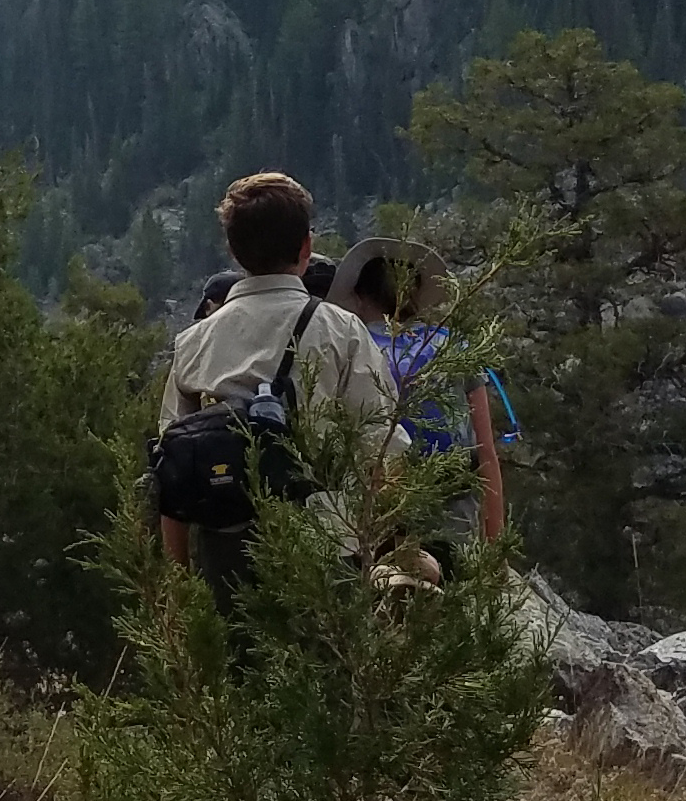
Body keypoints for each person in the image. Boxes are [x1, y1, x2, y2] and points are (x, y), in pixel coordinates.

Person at [154, 172, 393, 591]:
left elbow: (170, 473)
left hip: (224, 559)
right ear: (306, 246)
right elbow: (383, 454)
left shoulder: (194, 342)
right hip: (326, 546)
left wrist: (177, 585)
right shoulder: (342, 331)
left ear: (232, 249)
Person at [331, 235, 509, 548]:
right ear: (416, 294)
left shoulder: (353, 349)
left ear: (358, 297)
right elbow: (485, 454)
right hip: (454, 510)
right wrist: (495, 544)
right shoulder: (452, 347)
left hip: (379, 514)